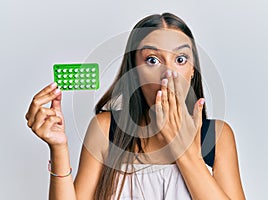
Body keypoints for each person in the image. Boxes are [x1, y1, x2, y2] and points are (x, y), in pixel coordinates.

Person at [25, 13, 246, 200]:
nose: (168, 73)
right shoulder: (105, 129)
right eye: (152, 60)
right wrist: (59, 149)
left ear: (192, 71)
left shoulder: (217, 137)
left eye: (180, 59)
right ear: (134, 71)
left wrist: (187, 153)